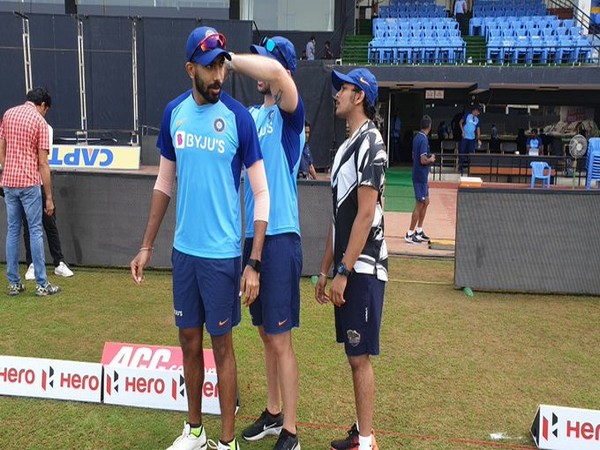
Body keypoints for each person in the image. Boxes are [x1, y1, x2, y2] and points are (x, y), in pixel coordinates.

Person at [129, 26, 270, 450]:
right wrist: (147, 244)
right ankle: (194, 430)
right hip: (184, 255)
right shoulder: (174, 113)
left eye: (222, 66)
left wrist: (254, 261)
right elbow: (163, 183)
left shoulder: (239, 118)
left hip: (223, 257)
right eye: (209, 67)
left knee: (221, 347)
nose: (218, 76)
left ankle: (226, 443)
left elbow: (262, 194)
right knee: (188, 342)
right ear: (190, 68)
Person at [228, 35, 305, 450]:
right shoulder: (252, 117)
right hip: (250, 237)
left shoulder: (291, 115)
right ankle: (274, 414)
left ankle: (291, 431)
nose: (259, 69)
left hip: (279, 238)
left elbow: (276, 74)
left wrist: (230, 61)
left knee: (280, 337)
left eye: (264, 63)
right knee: (263, 333)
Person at [315, 67, 387, 450]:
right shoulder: (345, 148)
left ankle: (366, 440)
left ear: (359, 96)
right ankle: (361, 433)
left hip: (364, 267)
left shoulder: (372, 144)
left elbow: (364, 214)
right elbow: (337, 216)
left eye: (342, 89)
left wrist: (343, 270)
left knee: (359, 357)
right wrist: (325, 270)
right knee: (352, 354)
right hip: (346, 268)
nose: (336, 95)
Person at [0, 87, 61, 297]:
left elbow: (2, 147)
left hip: (9, 182)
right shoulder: (39, 122)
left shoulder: (8, 114)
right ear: (43, 105)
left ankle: (14, 283)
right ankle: (42, 285)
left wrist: (7, 169)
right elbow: (43, 163)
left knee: (13, 231)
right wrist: (50, 197)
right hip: (29, 182)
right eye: (46, 110)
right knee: (35, 231)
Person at [22, 186, 74, 280]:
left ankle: (59, 263)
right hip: (26, 188)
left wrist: (49, 197)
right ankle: (31, 264)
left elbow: (45, 172)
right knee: (28, 227)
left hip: (41, 187)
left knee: (51, 226)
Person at [405, 115, 436, 244]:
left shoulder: (417, 137)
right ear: (429, 126)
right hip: (420, 176)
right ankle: (410, 233)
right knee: (419, 204)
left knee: (426, 202)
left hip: (421, 176)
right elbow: (423, 160)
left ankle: (419, 230)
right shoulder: (423, 140)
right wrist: (431, 159)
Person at [458, 104, 481, 174]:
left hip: (472, 138)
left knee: (471, 153)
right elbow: (460, 122)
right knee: (462, 151)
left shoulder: (477, 119)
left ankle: (470, 168)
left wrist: (479, 138)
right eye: (477, 112)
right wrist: (462, 131)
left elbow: (478, 129)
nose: (478, 114)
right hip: (465, 137)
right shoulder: (467, 115)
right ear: (475, 111)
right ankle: (460, 168)